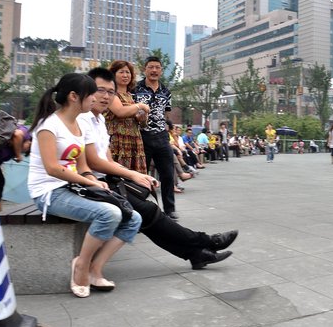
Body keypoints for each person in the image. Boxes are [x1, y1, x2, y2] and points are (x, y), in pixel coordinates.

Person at [80, 68, 237, 269]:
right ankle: (204, 243)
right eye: (100, 90)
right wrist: (132, 174)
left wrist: (135, 175)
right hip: (91, 184)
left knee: (148, 212)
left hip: (105, 180)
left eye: (111, 92)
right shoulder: (82, 119)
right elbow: (93, 162)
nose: (105, 97)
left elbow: (108, 160)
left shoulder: (99, 119)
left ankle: (196, 253)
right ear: (87, 90)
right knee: (148, 211)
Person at [27, 73, 142, 298]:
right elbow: (53, 168)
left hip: (72, 187)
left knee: (133, 218)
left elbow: (82, 166)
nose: (95, 99)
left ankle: (94, 269)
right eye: (91, 95)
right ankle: (81, 265)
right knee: (109, 214)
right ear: (73, 97)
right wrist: (88, 182)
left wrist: (93, 180)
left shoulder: (77, 125)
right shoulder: (48, 127)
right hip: (48, 192)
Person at [132, 56, 179, 220]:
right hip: (141, 136)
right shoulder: (135, 89)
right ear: (145, 69)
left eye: (157, 67)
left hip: (161, 137)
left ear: (161, 70)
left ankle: (170, 209)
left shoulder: (166, 91)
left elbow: (166, 113)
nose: (154, 70)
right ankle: (140, 209)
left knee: (167, 173)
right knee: (141, 175)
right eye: (150, 67)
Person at [106, 60, 149, 174]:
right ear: (113, 75)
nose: (125, 75)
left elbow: (142, 124)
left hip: (134, 141)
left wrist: (143, 118)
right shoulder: (110, 94)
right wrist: (140, 106)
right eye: (121, 72)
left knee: (136, 181)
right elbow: (120, 111)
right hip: (118, 141)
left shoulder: (130, 95)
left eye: (128, 72)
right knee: (119, 178)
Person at [0, 123, 31, 207]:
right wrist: (18, 155)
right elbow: (17, 134)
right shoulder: (26, 132)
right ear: (29, 140)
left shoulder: (11, 149)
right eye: (28, 147)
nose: (25, 150)